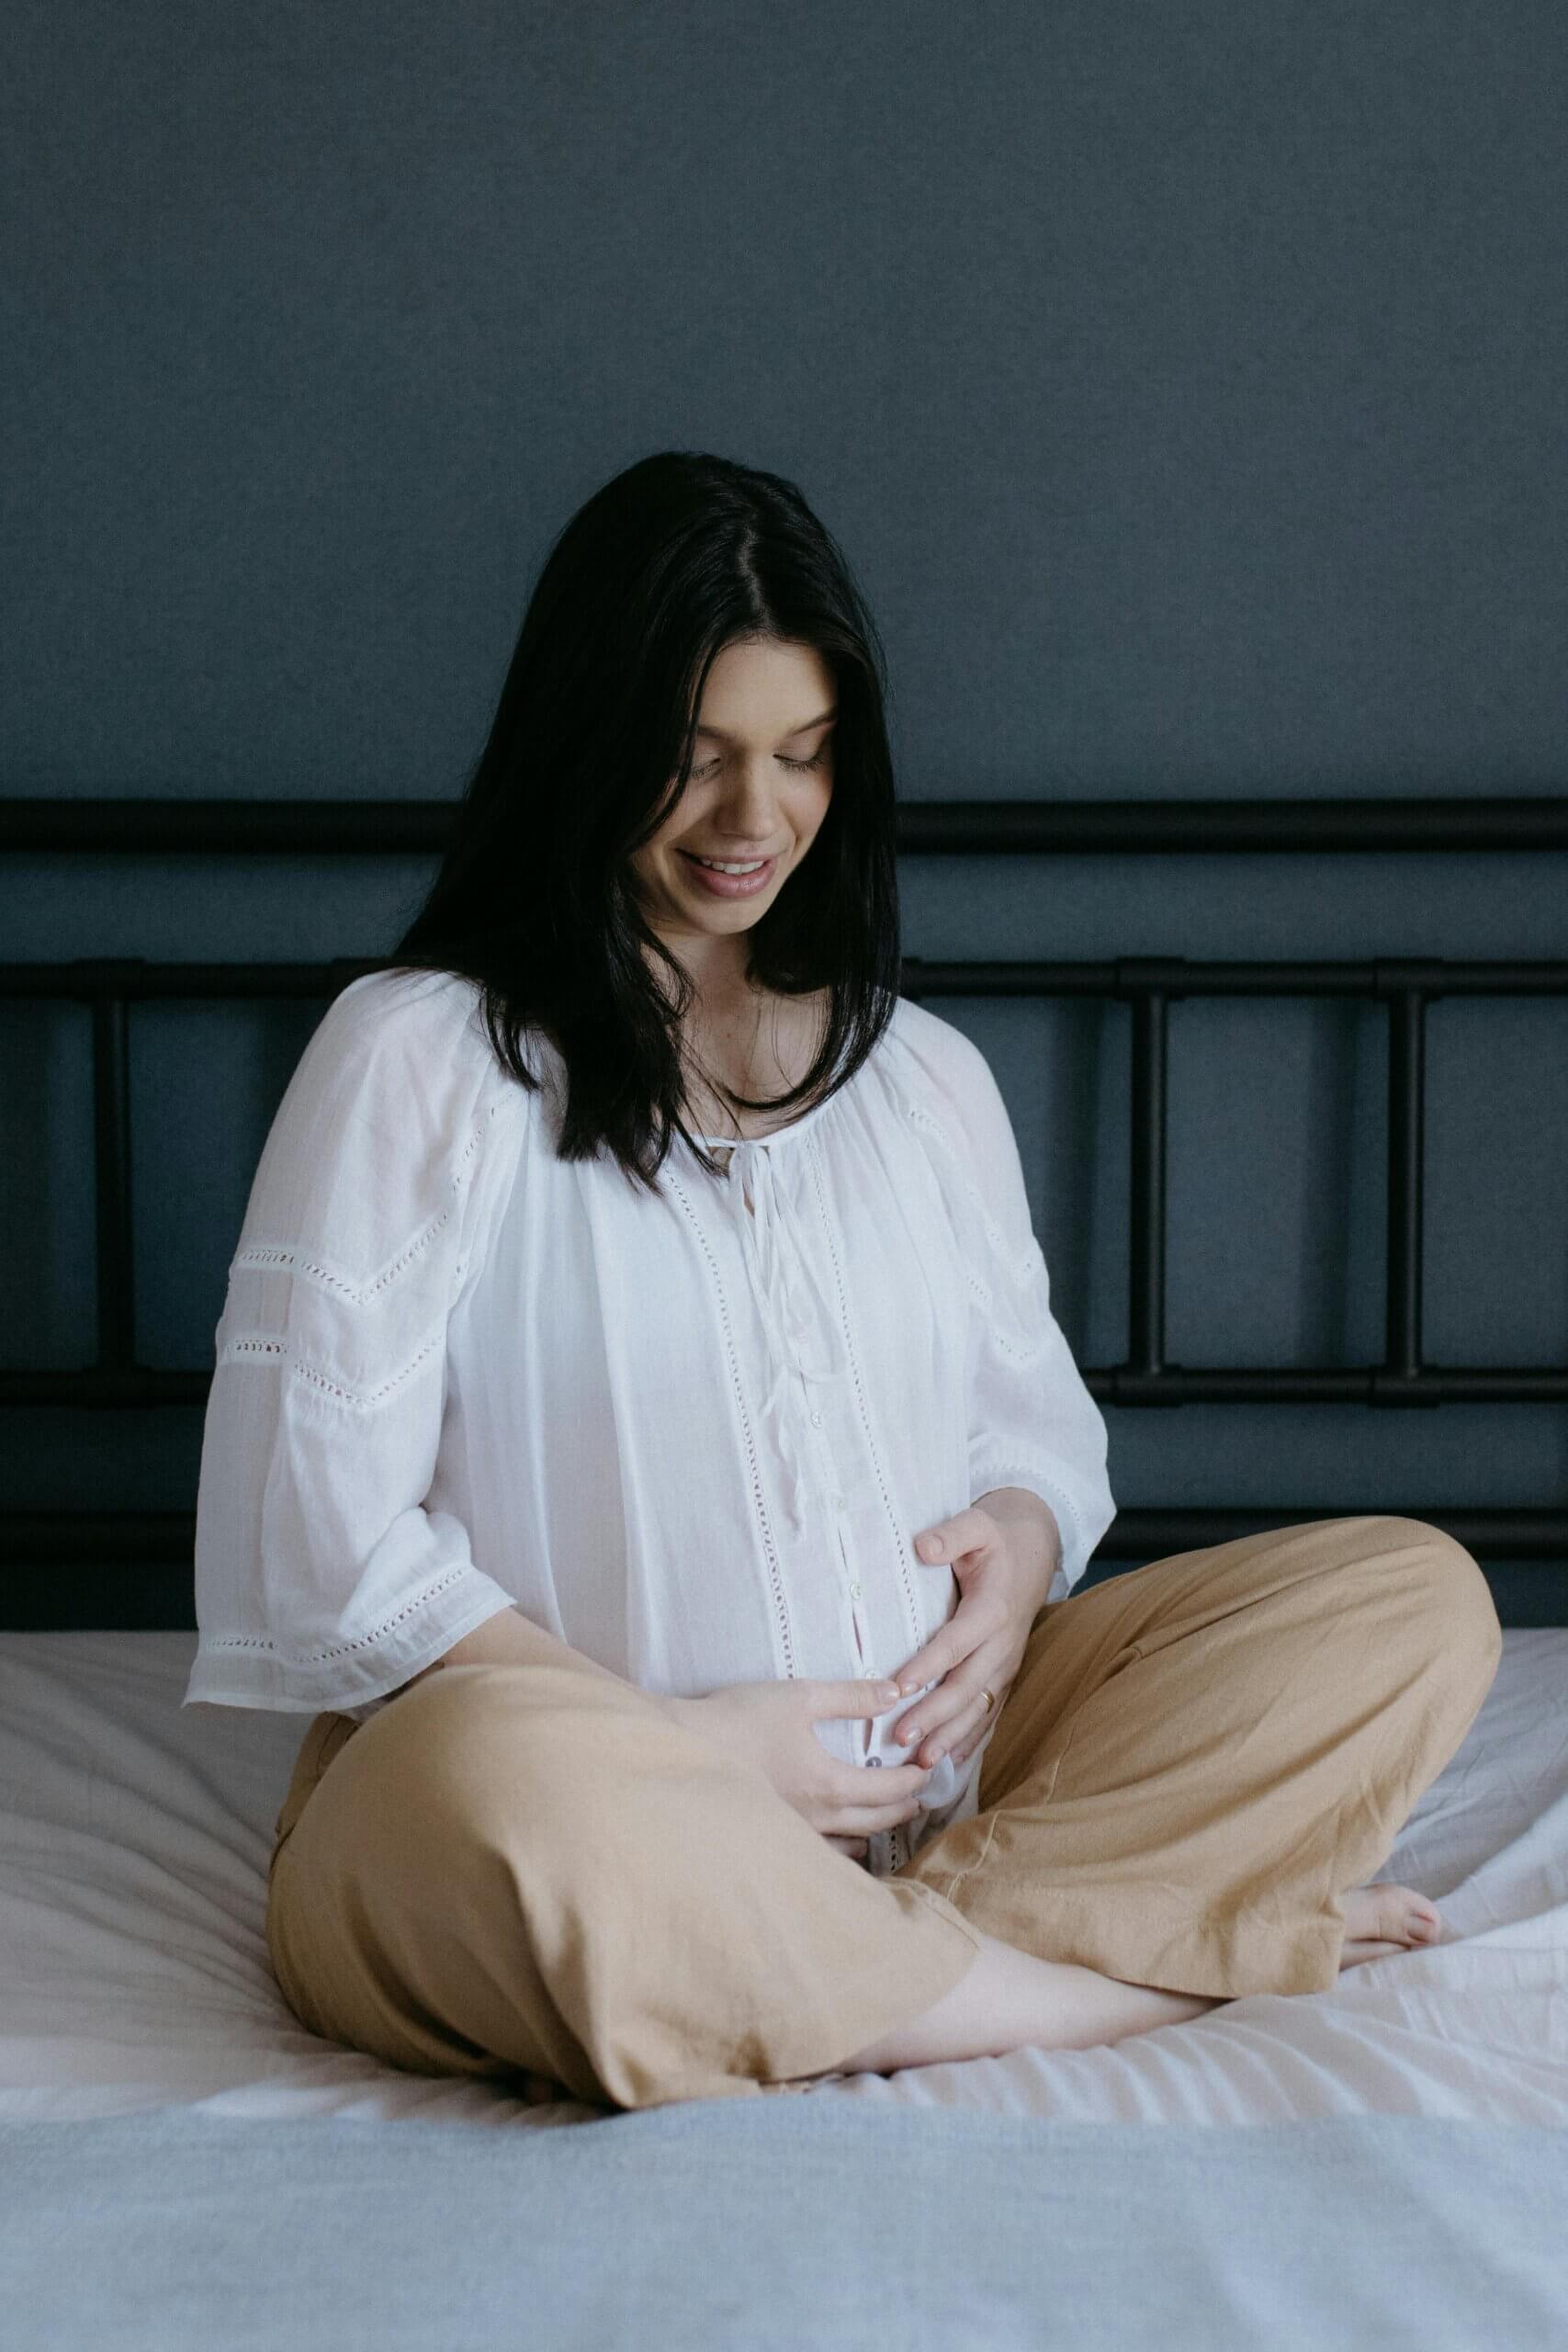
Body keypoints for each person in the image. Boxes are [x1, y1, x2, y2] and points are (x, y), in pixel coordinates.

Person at [185, 450, 1502, 2111]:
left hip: (935, 1792)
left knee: (1411, 1601)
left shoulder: (921, 1080)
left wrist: (1017, 1568)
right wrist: (696, 1753)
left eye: (804, 757)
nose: (757, 820)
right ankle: (1084, 1983)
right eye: (696, 760)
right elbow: (321, 1555)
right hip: (562, 1787)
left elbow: (1035, 1442)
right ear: (587, 747)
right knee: (477, 1794)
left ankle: (874, 1952)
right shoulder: (423, 1059)